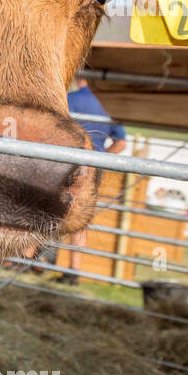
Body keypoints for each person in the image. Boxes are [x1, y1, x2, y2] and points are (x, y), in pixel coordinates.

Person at [58, 79, 127, 285]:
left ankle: (29, 258)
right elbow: (121, 143)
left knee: (44, 208)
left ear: (81, 79)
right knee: (80, 219)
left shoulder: (69, 99)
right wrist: (99, 160)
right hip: (90, 169)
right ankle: (73, 272)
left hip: (65, 162)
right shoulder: (110, 105)